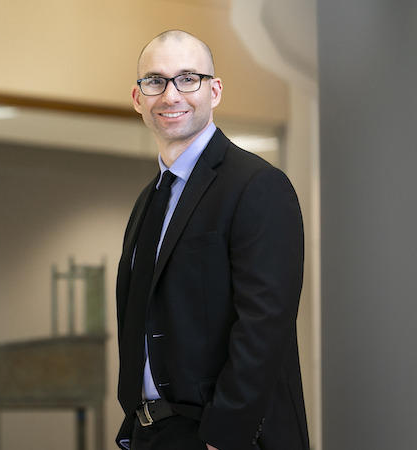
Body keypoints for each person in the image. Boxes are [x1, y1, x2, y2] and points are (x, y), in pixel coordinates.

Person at [114, 30, 309, 450]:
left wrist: (225, 437)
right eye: (155, 81)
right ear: (137, 97)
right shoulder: (148, 200)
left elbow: (264, 325)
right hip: (154, 434)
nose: (171, 95)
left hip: (223, 436)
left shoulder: (257, 186)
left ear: (214, 90)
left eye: (188, 78)